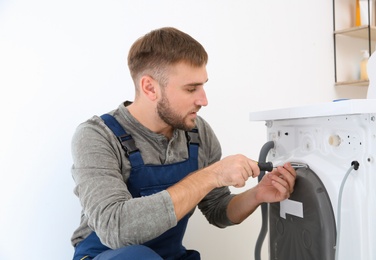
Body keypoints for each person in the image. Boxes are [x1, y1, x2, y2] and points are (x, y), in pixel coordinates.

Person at [70, 27, 297, 260]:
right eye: (191, 89)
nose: (204, 100)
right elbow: (115, 229)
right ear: (150, 88)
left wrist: (258, 194)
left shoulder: (198, 133)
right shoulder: (97, 136)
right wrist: (212, 175)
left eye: (203, 85)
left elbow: (217, 209)